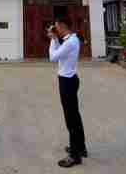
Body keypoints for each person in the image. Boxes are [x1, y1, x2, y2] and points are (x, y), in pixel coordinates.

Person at [47, 19, 87, 168]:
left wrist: (52, 39)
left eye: (56, 26)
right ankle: (80, 148)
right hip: (70, 79)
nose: (55, 28)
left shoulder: (70, 42)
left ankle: (74, 156)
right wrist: (56, 39)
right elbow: (59, 52)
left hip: (67, 82)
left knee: (71, 119)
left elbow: (53, 57)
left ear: (63, 26)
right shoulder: (71, 39)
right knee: (75, 116)